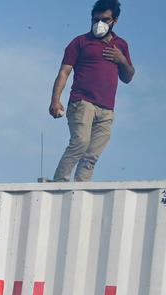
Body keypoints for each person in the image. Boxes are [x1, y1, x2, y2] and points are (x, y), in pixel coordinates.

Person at [50, 0, 134, 182]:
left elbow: (128, 77)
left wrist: (122, 60)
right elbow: (64, 72)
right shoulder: (80, 42)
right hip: (82, 102)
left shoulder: (121, 45)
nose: (99, 24)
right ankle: (58, 185)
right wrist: (55, 100)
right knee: (80, 143)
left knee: (92, 155)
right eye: (95, 20)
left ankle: (80, 191)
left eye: (105, 20)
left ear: (115, 21)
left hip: (107, 109)